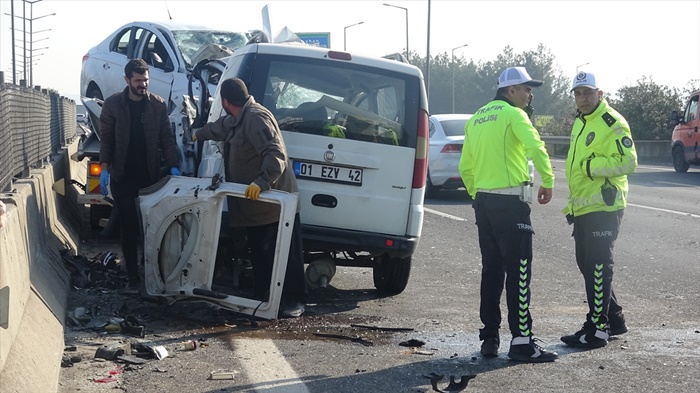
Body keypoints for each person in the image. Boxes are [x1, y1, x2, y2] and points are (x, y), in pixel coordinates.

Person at [458, 66, 558, 363]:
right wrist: (549, 181)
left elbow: (465, 166)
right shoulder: (514, 115)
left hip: (485, 203)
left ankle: (489, 338)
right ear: (511, 90)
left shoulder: (476, 118)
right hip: (511, 203)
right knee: (519, 272)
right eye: (526, 88)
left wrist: (478, 196)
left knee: (492, 272)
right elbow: (536, 147)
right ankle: (522, 342)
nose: (529, 94)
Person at [192, 77, 307, 318]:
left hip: (275, 205)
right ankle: (263, 300)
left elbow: (276, 155)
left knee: (284, 257)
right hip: (256, 208)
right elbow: (219, 128)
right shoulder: (237, 118)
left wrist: (261, 182)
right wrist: (197, 134)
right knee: (261, 255)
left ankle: (294, 301)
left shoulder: (255, 118)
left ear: (225, 101)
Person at [560, 71, 637, 348]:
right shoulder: (581, 122)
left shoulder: (611, 122)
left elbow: (628, 162)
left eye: (588, 93)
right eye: (578, 94)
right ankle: (614, 318)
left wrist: (592, 167)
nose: (582, 98)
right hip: (584, 207)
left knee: (598, 265)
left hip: (604, 206)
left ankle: (597, 329)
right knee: (587, 264)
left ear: (600, 94)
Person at [99, 58, 181, 294]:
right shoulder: (113, 105)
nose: (142, 84)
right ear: (127, 80)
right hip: (122, 175)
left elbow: (167, 139)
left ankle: (151, 277)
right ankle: (132, 279)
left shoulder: (157, 105)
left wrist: (173, 166)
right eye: (137, 80)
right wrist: (104, 167)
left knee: (150, 227)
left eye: (145, 80)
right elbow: (107, 139)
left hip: (149, 176)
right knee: (129, 226)